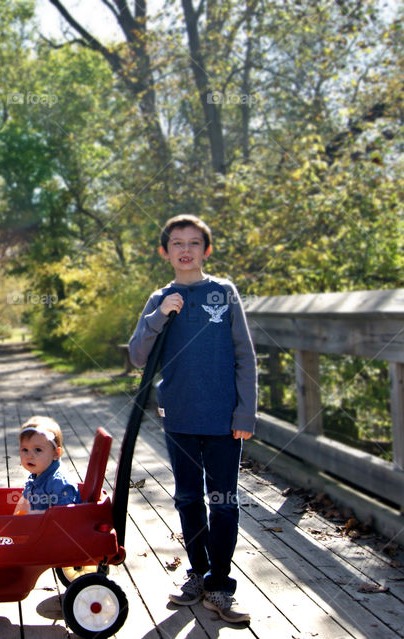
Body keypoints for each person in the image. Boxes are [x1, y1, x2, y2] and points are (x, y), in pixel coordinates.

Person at [127, 214, 257, 625]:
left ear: (206, 250)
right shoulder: (159, 299)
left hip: (223, 418)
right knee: (187, 498)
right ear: (165, 252)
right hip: (179, 415)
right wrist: (159, 315)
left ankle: (221, 582)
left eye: (194, 243)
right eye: (177, 243)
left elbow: (244, 356)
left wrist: (245, 411)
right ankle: (197, 574)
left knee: (223, 501)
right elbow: (137, 356)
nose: (186, 250)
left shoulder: (224, 292)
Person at [12, 416, 81, 514]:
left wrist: (32, 516)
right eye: (25, 450)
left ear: (56, 454)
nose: (29, 456)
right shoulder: (37, 473)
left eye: (38, 450)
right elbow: (24, 501)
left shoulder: (59, 483)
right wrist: (15, 520)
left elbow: (65, 516)